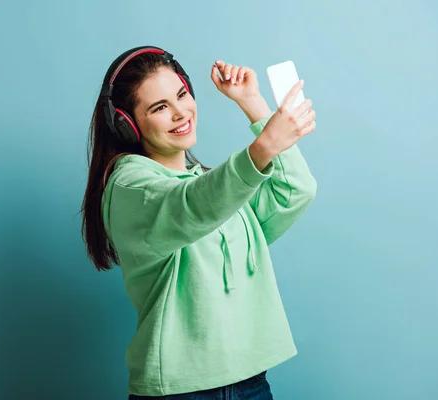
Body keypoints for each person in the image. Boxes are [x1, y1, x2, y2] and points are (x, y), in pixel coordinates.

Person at [81, 45, 317, 399]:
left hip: (252, 383)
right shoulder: (130, 187)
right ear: (128, 125)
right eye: (160, 107)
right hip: (180, 393)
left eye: (181, 95)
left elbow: (294, 190)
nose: (181, 113)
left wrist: (253, 102)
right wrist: (264, 147)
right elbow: (190, 206)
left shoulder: (214, 188)